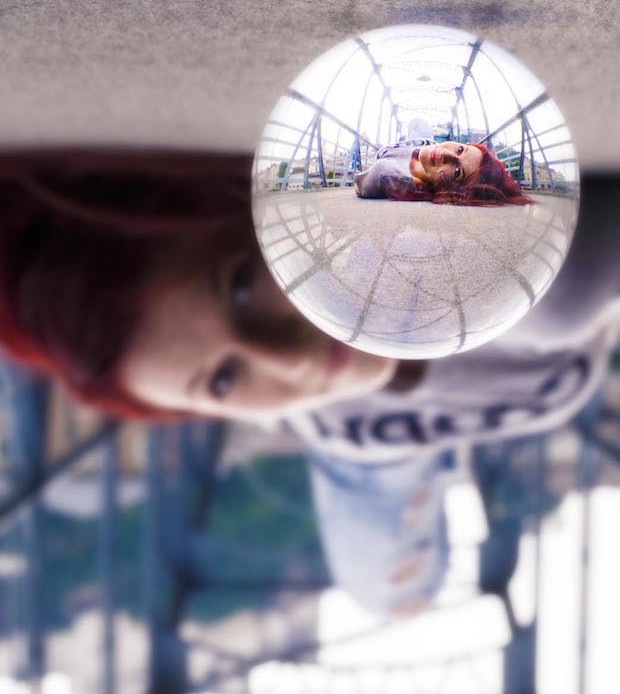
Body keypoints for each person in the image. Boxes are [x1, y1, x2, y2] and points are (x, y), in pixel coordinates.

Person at [0, 148, 618, 616]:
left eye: (242, 286)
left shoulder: (552, 284)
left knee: (384, 586)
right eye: (222, 383)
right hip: (377, 434)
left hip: (364, 447)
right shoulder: (557, 296)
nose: (289, 360)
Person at [355, 140, 532, 206]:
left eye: (457, 172)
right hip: (424, 141)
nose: (447, 154)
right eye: (460, 149)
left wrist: (413, 187)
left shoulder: (391, 173)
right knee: (419, 123)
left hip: (400, 151)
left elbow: (368, 180)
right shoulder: (435, 149)